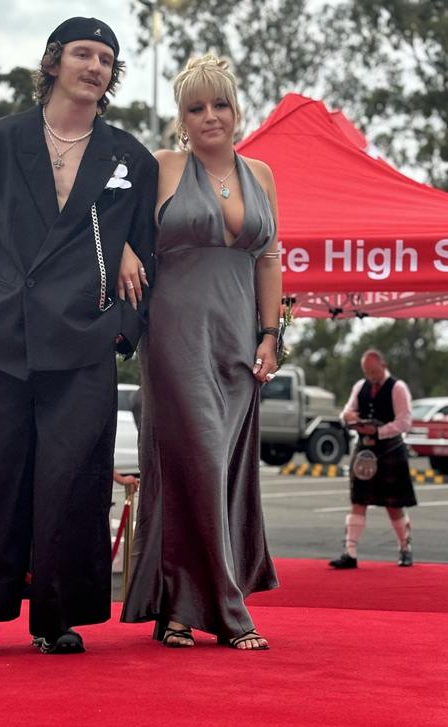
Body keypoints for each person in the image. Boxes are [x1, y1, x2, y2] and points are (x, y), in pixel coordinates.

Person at [0, 17, 158, 655]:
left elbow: (148, 257)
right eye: (82, 53)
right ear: (52, 62)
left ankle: (56, 617)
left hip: (81, 343)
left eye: (105, 58)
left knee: (70, 482)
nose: (94, 66)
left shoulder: (131, 157)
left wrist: (118, 333)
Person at [120, 55, 281, 649]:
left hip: (238, 341)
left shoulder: (261, 174)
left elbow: (269, 258)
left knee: (219, 472)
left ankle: (177, 607)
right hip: (175, 334)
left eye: (220, 104)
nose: (210, 116)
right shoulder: (161, 167)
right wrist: (125, 253)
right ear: (181, 119)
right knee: (204, 460)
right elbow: (111, 226)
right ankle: (228, 612)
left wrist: (271, 336)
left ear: (238, 111)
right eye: (196, 107)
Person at [329, 349, 416, 569]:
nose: (371, 377)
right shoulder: (360, 386)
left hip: (390, 450)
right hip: (364, 451)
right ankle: (350, 553)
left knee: (393, 505)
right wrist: (349, 417)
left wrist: (378, 431)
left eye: (374, 372)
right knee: (358, 501)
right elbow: (346, 412)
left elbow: (404, 421)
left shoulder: (398, 387)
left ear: (383, 364)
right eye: (367, 372)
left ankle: (405, 549)